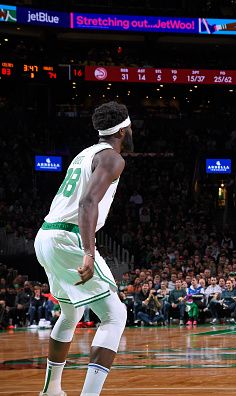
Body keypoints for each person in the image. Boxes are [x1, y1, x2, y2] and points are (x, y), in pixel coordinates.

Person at [34, 101, 132, 396]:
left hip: (46, 235)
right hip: (69, 237)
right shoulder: (113, 159)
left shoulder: (84, 154)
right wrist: (89, 252)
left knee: (70, 312)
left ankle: (51, 390)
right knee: (115, 315)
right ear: (124, 129)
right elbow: (87, 202)